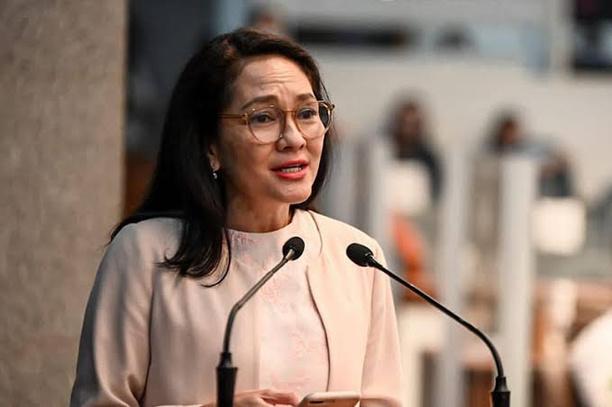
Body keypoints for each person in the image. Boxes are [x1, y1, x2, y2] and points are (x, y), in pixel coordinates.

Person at [70, 28, 402, 407]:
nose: (294, 138)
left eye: (308, 113)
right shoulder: (143, 253)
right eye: (263, 118)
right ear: (210, 145)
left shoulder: (357, 257)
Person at [387, 98, 442, 202]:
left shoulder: (428, 159)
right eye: (404, 123)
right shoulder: (385, 153)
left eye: (413, 124)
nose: (407, 130)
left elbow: (435, 194)